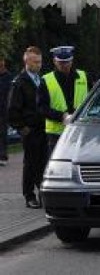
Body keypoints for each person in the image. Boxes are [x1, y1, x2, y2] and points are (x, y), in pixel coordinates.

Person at [7, 46, 48, 208]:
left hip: (43, 128)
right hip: (30, 129)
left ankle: (42, 192)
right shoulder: (20, 82)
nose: (38, 65)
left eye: (40, 61)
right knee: (31, 163)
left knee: (43, 162)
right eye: (35, 62)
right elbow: (12, 109)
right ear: (26, 62)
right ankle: (29, 195)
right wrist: (22, 127)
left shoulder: (41, 79)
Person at [39, 46, 89, 154]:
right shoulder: (46, 80)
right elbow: (42, 108)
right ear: (55, 62)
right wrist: (62, 116)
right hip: (56, 134)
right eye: (61, 62)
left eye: (67, 62)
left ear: (72, 60)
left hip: (80, 129)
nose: (65, 65)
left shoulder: (83, 76)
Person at [0, 57, 12, 165]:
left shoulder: (8, 76)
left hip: (4, 110)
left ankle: (3, 156)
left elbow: (9, 94)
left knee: (3, 133)